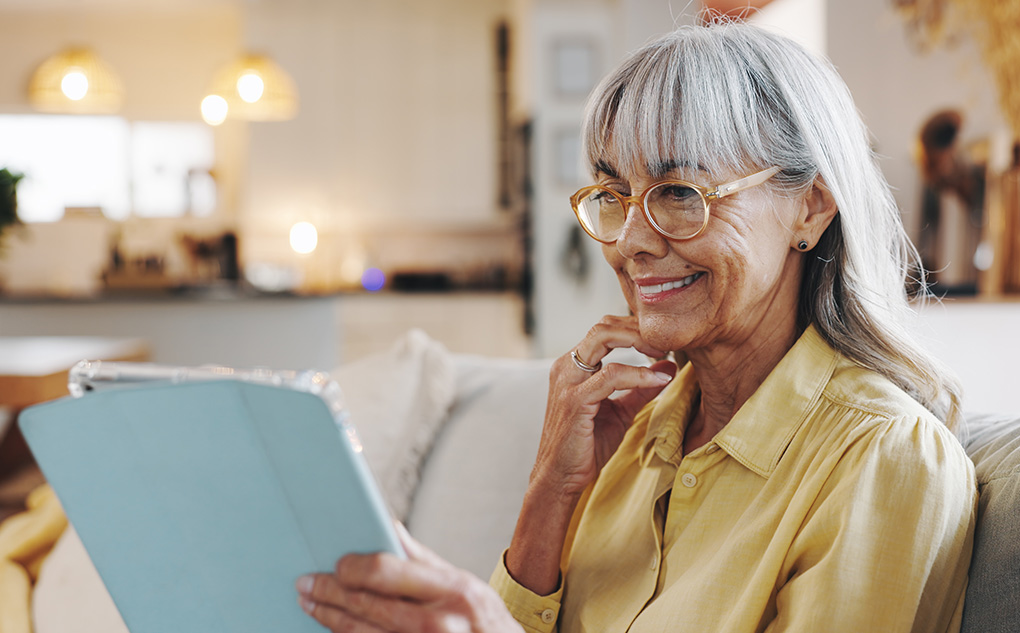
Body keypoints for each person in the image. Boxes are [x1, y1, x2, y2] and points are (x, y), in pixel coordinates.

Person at [296, 22, 977, 633]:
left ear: (810, 208)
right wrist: (548, 496)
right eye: (615, 198)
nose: (630, 242)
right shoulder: (638, 431)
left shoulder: (885, 458)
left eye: (679, 194)